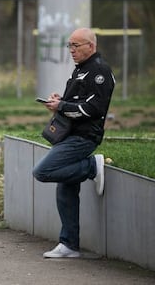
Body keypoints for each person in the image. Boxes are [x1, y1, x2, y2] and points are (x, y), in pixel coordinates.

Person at [33, 27, 115, 258]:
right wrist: (61, 100)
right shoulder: (81, 70)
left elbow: (94, 109)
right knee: (66, 191)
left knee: (43, 171)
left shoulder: (99, 71)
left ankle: (92, 167)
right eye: (69, 45)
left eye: (75, 45)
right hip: (69, 135)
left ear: (91, 46)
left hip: (83, 138)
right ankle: (69, 245)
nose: (71, 50)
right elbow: (77, 102)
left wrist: (63, 107)